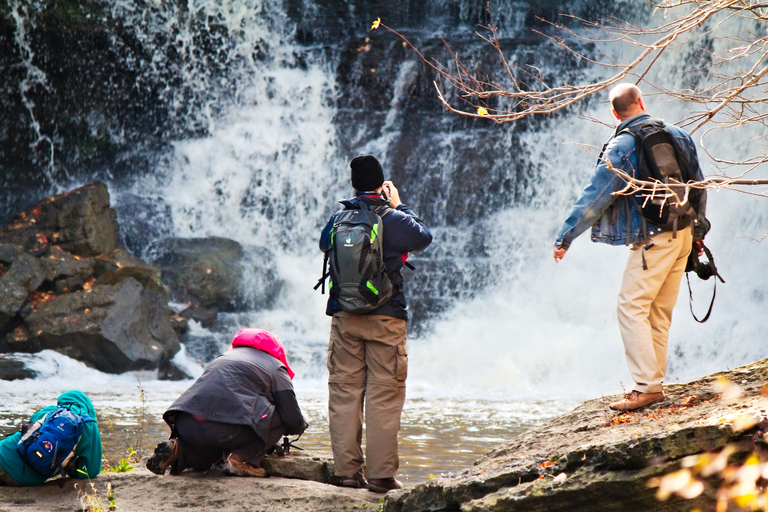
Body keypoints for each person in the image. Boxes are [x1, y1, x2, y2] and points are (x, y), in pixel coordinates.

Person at [553, 83, 708, 412]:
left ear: (614, 113)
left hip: (654, 239)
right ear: (641, 102)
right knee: (658, 312)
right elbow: (698, 185)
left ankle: (646, 386)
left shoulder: (622, 146)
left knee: (630, 307)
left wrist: (566, 236)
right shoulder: (679, 133)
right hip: (681, 235)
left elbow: (596, 197)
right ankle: (654, 381)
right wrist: (698, 232)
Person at [319, 154, 432, 493]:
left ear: (354, 185)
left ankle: (347, 473)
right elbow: (423, 237)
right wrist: (400, 205)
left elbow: (324, 244)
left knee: (344, 392)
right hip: (386, 316)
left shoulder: (339, 219)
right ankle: (381, 476)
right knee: (384, 394)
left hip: (345, 317)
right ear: (381, 185)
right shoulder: (393, 218)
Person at [146, 328, 308, 477]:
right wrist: (304, 420)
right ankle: (240, 461)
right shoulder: (276, 366)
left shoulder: (224, 358)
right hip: (225, 431)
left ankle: (177, 450)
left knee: (212, 448)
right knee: (279, 414)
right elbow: (292, 419)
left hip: (186, 424)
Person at [0, 390, 102, 486]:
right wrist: (67, 466)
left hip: (4, 451)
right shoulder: (90, 426)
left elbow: (27, 431)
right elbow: (91, 471)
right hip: (25, 478)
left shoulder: (52, 411)